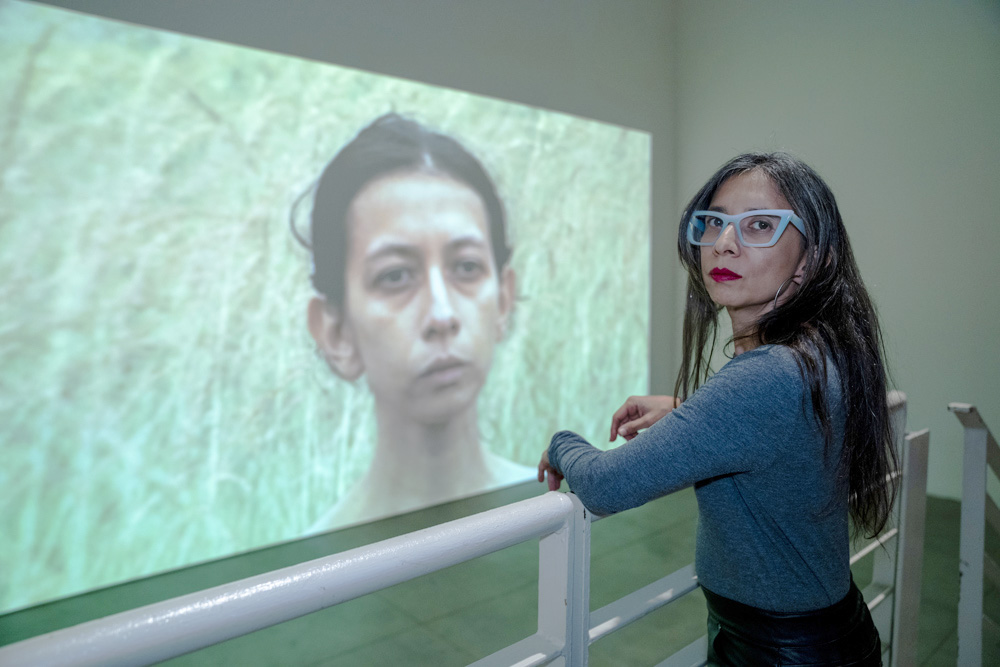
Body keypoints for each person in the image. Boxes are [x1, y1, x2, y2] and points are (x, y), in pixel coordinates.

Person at [538, 152, 894, 665]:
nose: (725, 242)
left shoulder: (767, 376)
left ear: (814, 258)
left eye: (761, 225)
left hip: (778, 651)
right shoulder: (818, 351)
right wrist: (687, 411)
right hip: (818, 635)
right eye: (714, 223)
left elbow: (605, 484)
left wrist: (562, 441)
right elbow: (781, 435)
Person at [298, 113, 533, 531]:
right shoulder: (313, 571)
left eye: (466, 266)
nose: (442, 315)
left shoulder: (553, 518)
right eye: (395, 276)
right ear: (334, 331)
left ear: (502, 299)